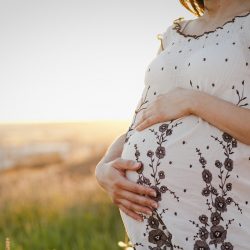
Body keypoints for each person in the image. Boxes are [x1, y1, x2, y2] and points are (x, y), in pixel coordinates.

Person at [95, 0, 250, 248]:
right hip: (150, 226)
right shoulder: (172, 35)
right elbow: (142, 119)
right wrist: (103, 168)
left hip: (225, 220)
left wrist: (193, 100)